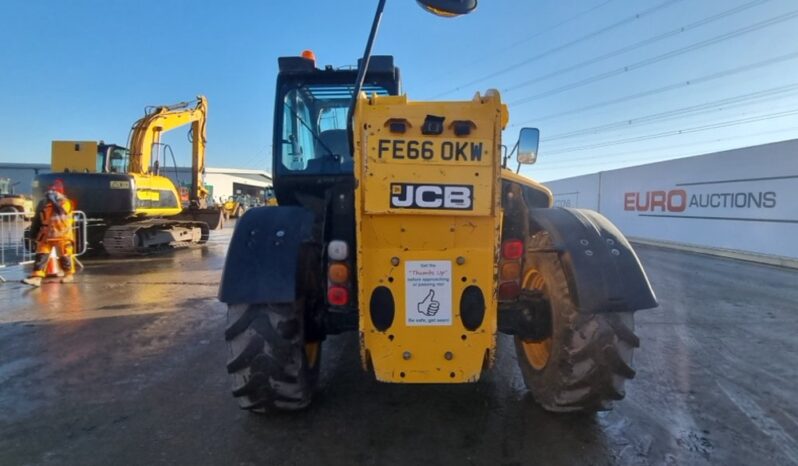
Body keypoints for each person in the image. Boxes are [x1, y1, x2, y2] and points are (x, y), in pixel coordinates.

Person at [22, 179, 76, 287]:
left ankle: (68, 274)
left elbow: (62, 212)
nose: (52, 193)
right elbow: (37, 219)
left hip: (62, 235)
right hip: (46, 235)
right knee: (41, 256)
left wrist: (54, 201)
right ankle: (36, 277)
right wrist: (33, 233)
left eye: (55, 191)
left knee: (65, 255)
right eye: (51, 191)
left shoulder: (66, 202)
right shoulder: (43, 203)